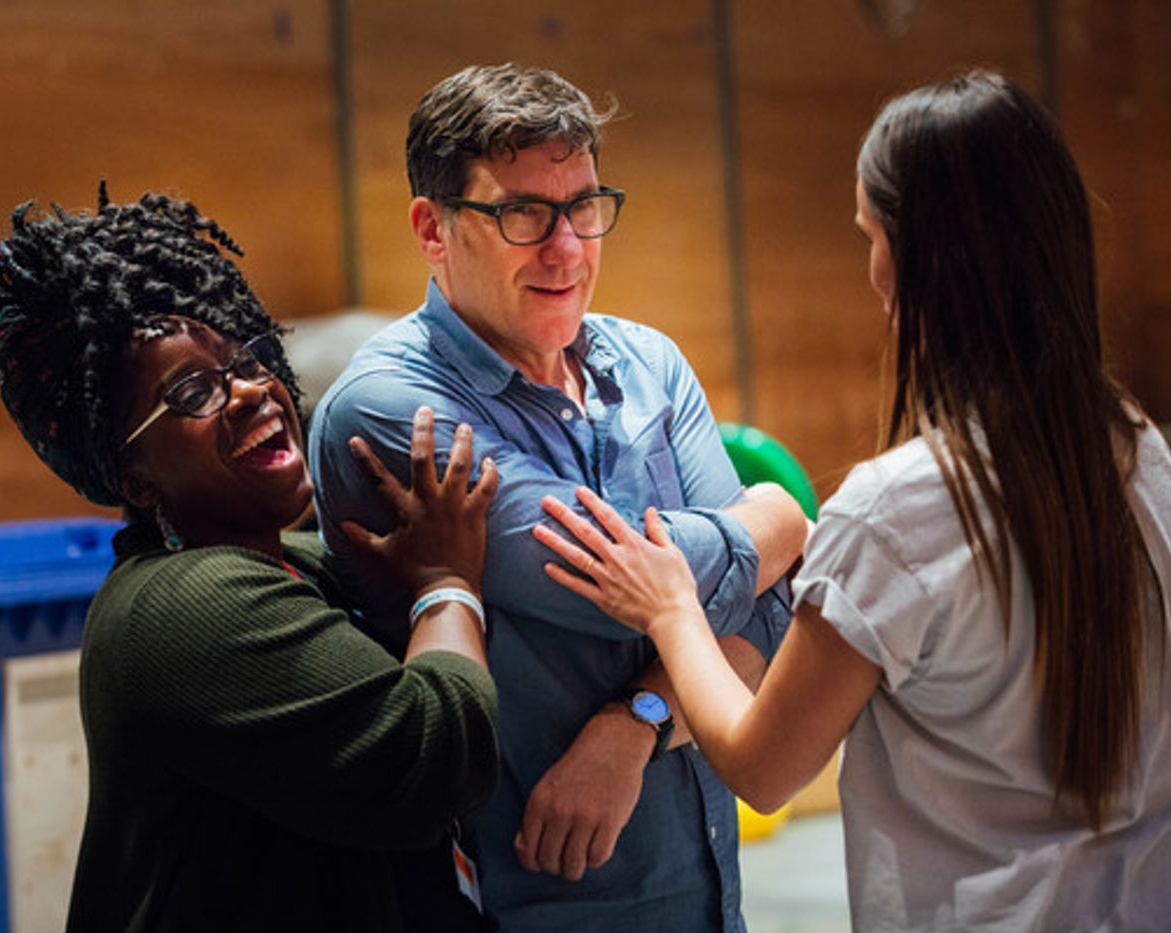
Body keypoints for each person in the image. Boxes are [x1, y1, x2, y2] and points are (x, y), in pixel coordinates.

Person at [534, 70, 1171, 931]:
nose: (873, 273)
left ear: (912, 258)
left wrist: (669, 606)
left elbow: (764, 766)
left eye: (868, 235)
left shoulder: (898, 511)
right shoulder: (1144, 452)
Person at [309, 63, 806, 931]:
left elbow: (763, 624)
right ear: (433, 228)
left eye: (582, 205)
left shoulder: (650, 363)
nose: (567, 247)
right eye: (522, 212)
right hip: (524, 902)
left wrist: (639, 718)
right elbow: (635, 600)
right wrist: (774, 519)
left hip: (708, 897)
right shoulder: (394, 410)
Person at [0, 184, 503, 933]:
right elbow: (432, 760)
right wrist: (448, 582)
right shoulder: (187, 605)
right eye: (194, 390)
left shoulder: (285, 561)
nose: (252, 390)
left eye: (248, 357)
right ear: (135, 477)